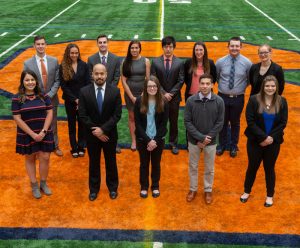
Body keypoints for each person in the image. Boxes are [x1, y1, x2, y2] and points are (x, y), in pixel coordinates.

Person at [240, 75, 288, 207]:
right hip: (255, 141)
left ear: (276, 87)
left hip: (273, 142)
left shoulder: (282, 101)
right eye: (267, 86)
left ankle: (269, 196)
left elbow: (283, 123)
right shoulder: (254, 100)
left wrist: (270, 138)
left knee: (269, 169)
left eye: (273, 86)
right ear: (263, 87)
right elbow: (250, 121)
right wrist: (263, 138)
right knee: (252, 167)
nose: (270, 88)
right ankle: (246, 191)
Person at [78, 64, 122, 201]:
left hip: (109, 135)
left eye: (102, 74)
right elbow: (83, 115)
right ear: (92, 75)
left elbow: (117, 115)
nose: (99, 76)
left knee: (111, 162)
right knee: (94, 163)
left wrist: (103, 129)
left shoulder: (115, 91)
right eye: (96, 74)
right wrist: (96, 131)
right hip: (92, 136)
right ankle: (94, 189)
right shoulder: (84, 91)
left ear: (106, 74)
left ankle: (113, 188)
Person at [12, 70, 55, 199]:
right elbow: (17, 118)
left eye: (32, 80)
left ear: (36, 81)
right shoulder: (17, 98)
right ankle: (34, 185)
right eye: (27, 80)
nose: (30, 82)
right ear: (22, 82)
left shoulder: (44, 96)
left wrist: (43, 131)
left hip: (44, 132)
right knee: (30, 158)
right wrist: (32, 134)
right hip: (27, 134)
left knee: (45, 157)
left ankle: (43, 183)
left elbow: (50, 113)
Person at [184, 74, 224, 204]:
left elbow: (220, 122)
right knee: (193, 166)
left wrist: (208, 138)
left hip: (211, 142)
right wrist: (200, 138)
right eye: (202, 83)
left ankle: (208, 190)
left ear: (212, 85)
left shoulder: (219, 101)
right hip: (194, 141)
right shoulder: (190, 101)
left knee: (209, 168)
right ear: (199, 84)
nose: (205, 86)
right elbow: (187, 122)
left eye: (208, 83)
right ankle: (193, 189)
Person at [23, 35, 63, 157]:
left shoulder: (54, 61)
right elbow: (26, 81)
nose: (40, 46)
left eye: (42, 44)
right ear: (34, 46)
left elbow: (57, 80)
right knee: (36, 123)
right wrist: (38, 96)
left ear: (46, 45)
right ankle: (36, 148)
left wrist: (49, 95)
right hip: (35, 100)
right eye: (38, 44)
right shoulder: (27, 63)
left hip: (51, 98)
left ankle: (55, 145)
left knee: (53, 123)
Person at [216, 36, 252, 157]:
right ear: (228, 46)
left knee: (235, 122)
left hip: (238, 98)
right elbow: (216, 77)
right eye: (232, 46)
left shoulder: (247, 63)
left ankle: (233, 146)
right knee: (222, 122)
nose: (234, 48)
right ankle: (221, 145)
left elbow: (249, 80)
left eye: (237, 46)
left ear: (241, 47)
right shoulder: (220, 62)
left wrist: (239, 88)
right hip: (222, 97)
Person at [134, 76, 168, 198]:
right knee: (144, 164)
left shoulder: (164, 101)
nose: (152, 88)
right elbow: (137, 124)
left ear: (158, 87)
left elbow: (164, 125)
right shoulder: (139, 101)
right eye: (149, 86)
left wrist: (155, 141)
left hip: (158, 140)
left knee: (156, 164)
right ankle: (144, 186)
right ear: (145, 88)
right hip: (143, 139)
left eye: (154, 86)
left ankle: (155, 186)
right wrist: (148, 140)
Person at [87, 34, 122, 154]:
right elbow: (91, 78)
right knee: (97, 116)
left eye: (104, 42)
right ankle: (97, 142)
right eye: (100, 42)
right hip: (96, 94)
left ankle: (113, 144)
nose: (102, 44)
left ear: (108, 43)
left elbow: (117, 76)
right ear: (97, 44)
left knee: (111, 118)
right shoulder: (91, 59)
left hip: (111, 95)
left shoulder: (116, 58)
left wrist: (109, 91)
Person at [151, 36, 184, 155]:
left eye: (170, 46)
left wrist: (171, 94)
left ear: (173, 47)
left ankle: (173, 143)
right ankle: (157, 140)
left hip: (174, 98)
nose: (168, 49)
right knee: (159, 120)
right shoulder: (155, 61)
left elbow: (181, 80)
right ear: (163, 48)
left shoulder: (180, 62)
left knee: (173, 121)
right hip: (159, 97)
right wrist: (164, 93)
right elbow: (153, 79)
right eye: (166, 46)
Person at [59, 43, 90, 158]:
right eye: (72, 53)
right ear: (68, 53)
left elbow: (88, 83)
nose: (74, 55)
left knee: (82, 124)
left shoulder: (84, 65)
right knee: (71, 125)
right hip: (70, 101)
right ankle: (74, 148)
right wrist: (75, 100)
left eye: (76, 53)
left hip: (83, 101)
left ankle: (81, 146)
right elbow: (64, 86)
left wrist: (81, 100)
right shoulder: (63, 66)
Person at [121, 40, 151, 151]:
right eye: (132, 48)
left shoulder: (146, 61)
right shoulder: (125, 62)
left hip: (143, 94)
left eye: (136, 48)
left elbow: (148, 80)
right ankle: (134, 141)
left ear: (140, 49)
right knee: (132, 117)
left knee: (144, 117)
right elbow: (123, 81)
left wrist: (143, 94)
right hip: (130, 94)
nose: (134, 50)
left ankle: (145, 139)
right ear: (129, 49)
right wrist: (132, 97)